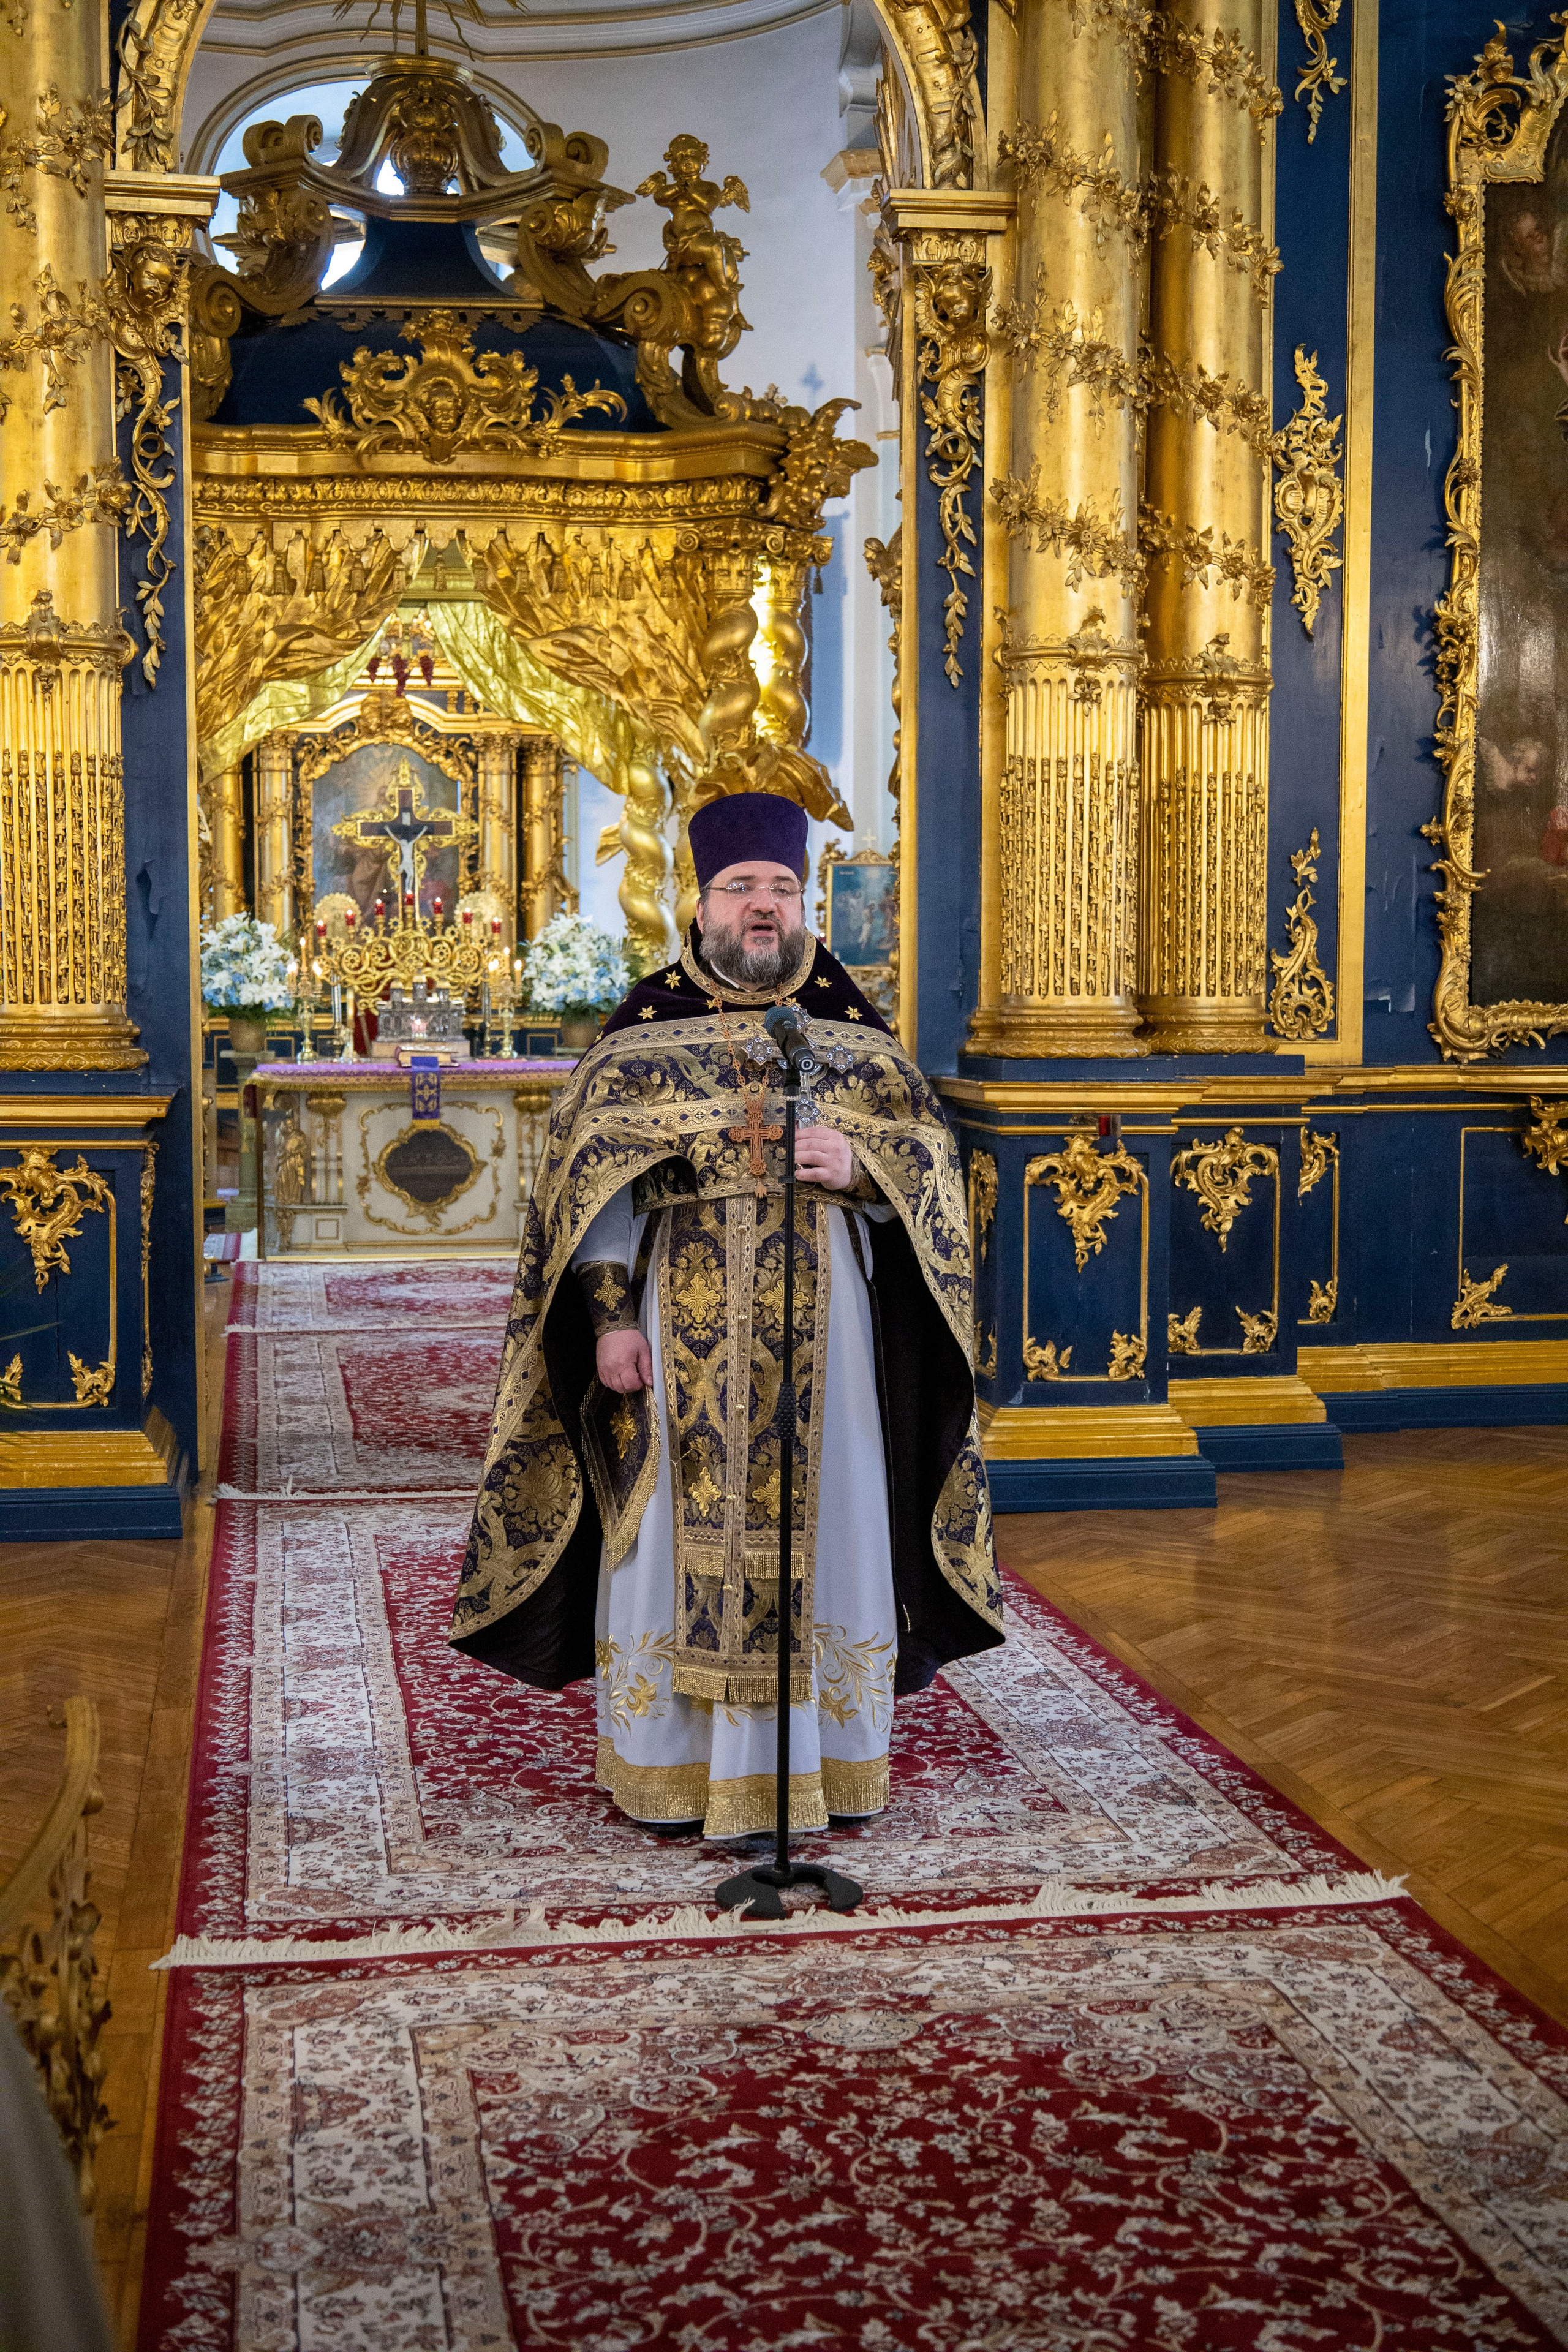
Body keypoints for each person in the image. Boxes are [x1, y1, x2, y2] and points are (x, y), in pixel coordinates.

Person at [450, 791, 1000, 1838]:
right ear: (698, 903)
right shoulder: (643, 1032)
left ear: (807, 904)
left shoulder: (852, 1032)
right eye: (741, 887)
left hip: (827, 1338)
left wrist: (866, 1169)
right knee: (667, 1532)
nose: (763, 908)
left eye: (782, 889)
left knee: (830, 1522)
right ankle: (674, 1767)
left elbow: (931, 1169)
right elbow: (591, 1194)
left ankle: (820, 1767)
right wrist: (611, 1320)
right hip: (675, 1321)